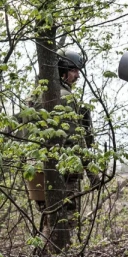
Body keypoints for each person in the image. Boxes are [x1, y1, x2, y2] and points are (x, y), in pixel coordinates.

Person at [26, 48, 95, 236]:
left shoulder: (35, 96)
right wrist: (92, 172)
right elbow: (76, 141)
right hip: (63, 172)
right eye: (73, 70)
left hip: (36, 171)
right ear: (62, 70)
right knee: (65, 223)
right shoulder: (65, 98)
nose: (78, 75)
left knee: (49, 218)